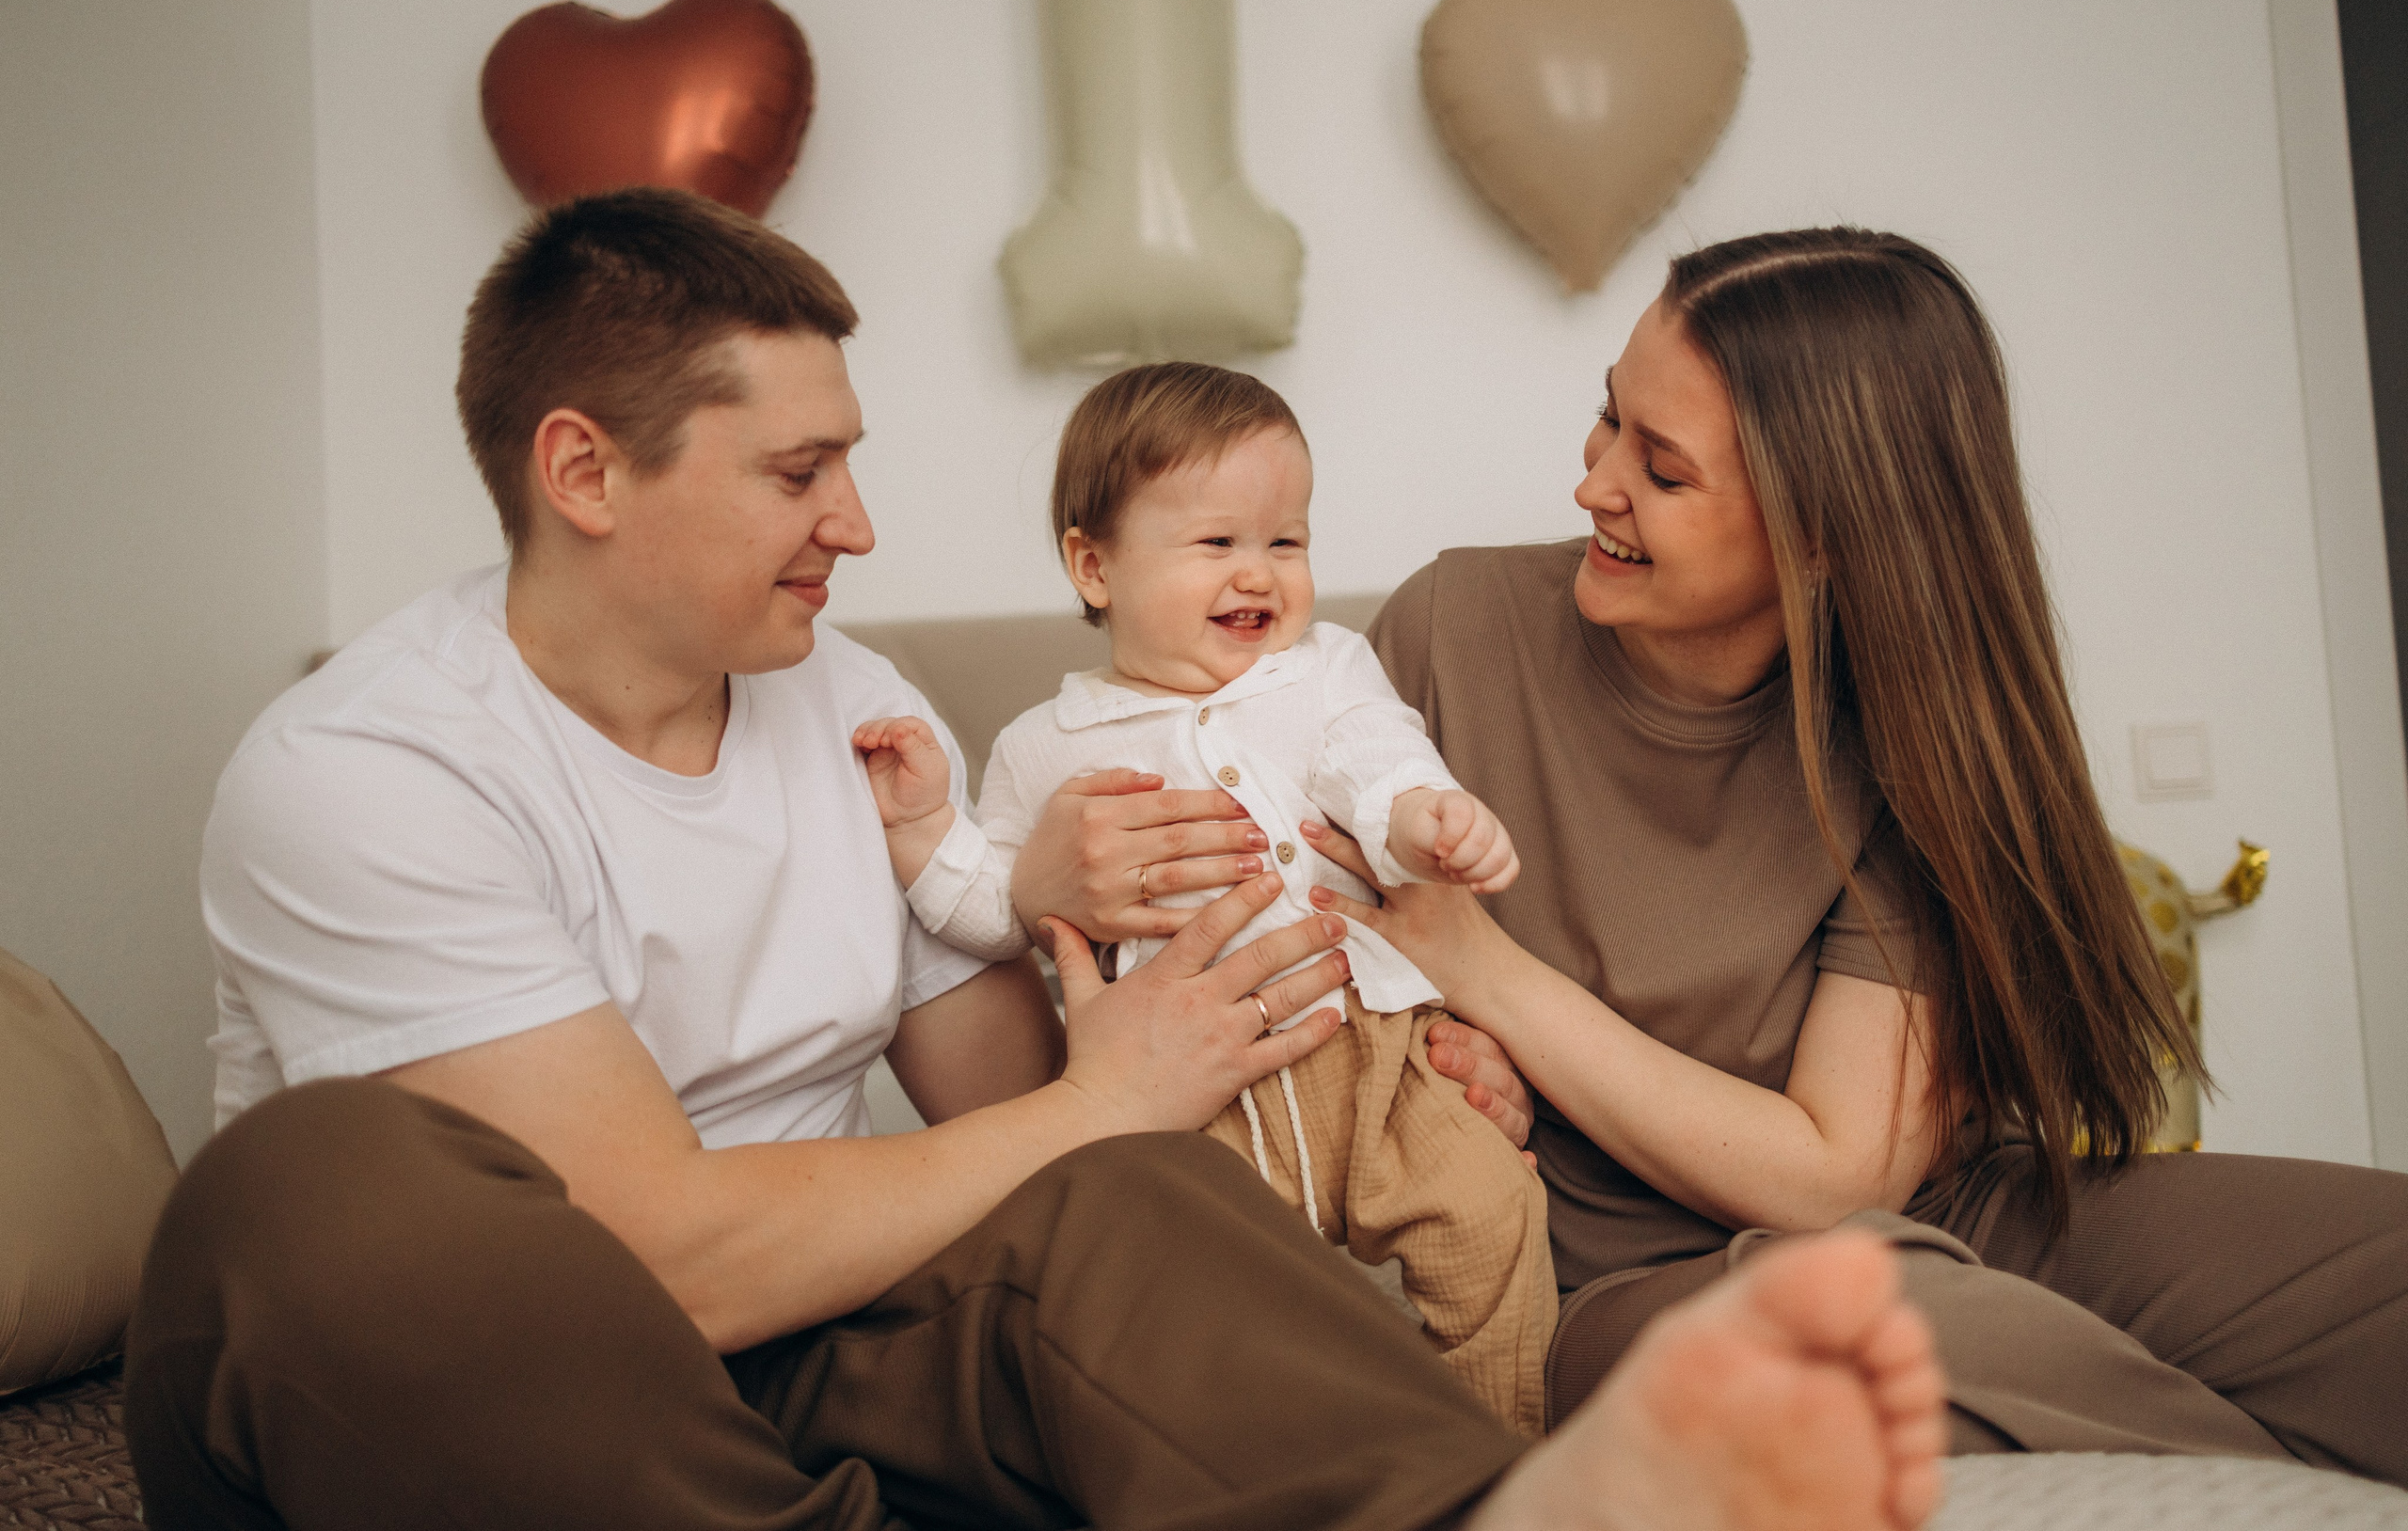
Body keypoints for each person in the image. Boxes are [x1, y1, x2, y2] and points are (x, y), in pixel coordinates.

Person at [123, 189, 1952, 1531]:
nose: (856, 522)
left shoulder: (838, 699)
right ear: (586, 473)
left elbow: (1026, 1106)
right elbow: (660, 1263)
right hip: (485, 1390)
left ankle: (1478, 1512)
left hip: (808, 1339)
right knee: (310, 1184)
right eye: (797, 474)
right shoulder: (376, 767)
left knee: (1134, 1200)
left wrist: (1082, 925)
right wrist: (1101, 1100)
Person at [1289, 226, 2406, 1478]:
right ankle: (2282, 1485)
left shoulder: (1909, 731)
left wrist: (1492, 976)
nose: (1592, 483)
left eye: (1661, 469)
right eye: (1608, 422)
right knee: (1870, 1324)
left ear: (1826, 534)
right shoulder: (1455, 630)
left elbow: (1839, 1168)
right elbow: (1311, 949)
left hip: (1962, 1216)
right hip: (1634, 1283)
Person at [851, 360, 1550, 1431]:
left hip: (1373, 1043)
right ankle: (1296, 1473)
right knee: (1207, 1312)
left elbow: (1379, 760)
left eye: (1288, 541)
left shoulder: (1322, 671)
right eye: (1217, 543)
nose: (1260, 573)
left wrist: (1424, 820)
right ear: (1094, 566)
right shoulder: (1046, 747)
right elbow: (992, 913)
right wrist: (916, 831)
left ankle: (1495, 1463)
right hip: (1189, 1086)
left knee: (1491, 1213)